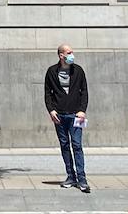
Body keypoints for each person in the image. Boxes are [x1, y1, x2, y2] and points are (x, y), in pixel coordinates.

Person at [43, 43, 90, 192]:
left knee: (77, 145)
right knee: (64, 145)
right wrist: (51, 110)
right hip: (60, 116)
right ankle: (71, 176)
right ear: (61, 55)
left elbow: (84, 91)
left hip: (76, 115)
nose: (72, 55)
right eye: (69, 53)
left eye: (72, 52)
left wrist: (82, 110)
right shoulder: (51, 72)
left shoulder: (78, 71)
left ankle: (82, 179)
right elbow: (47, 93)